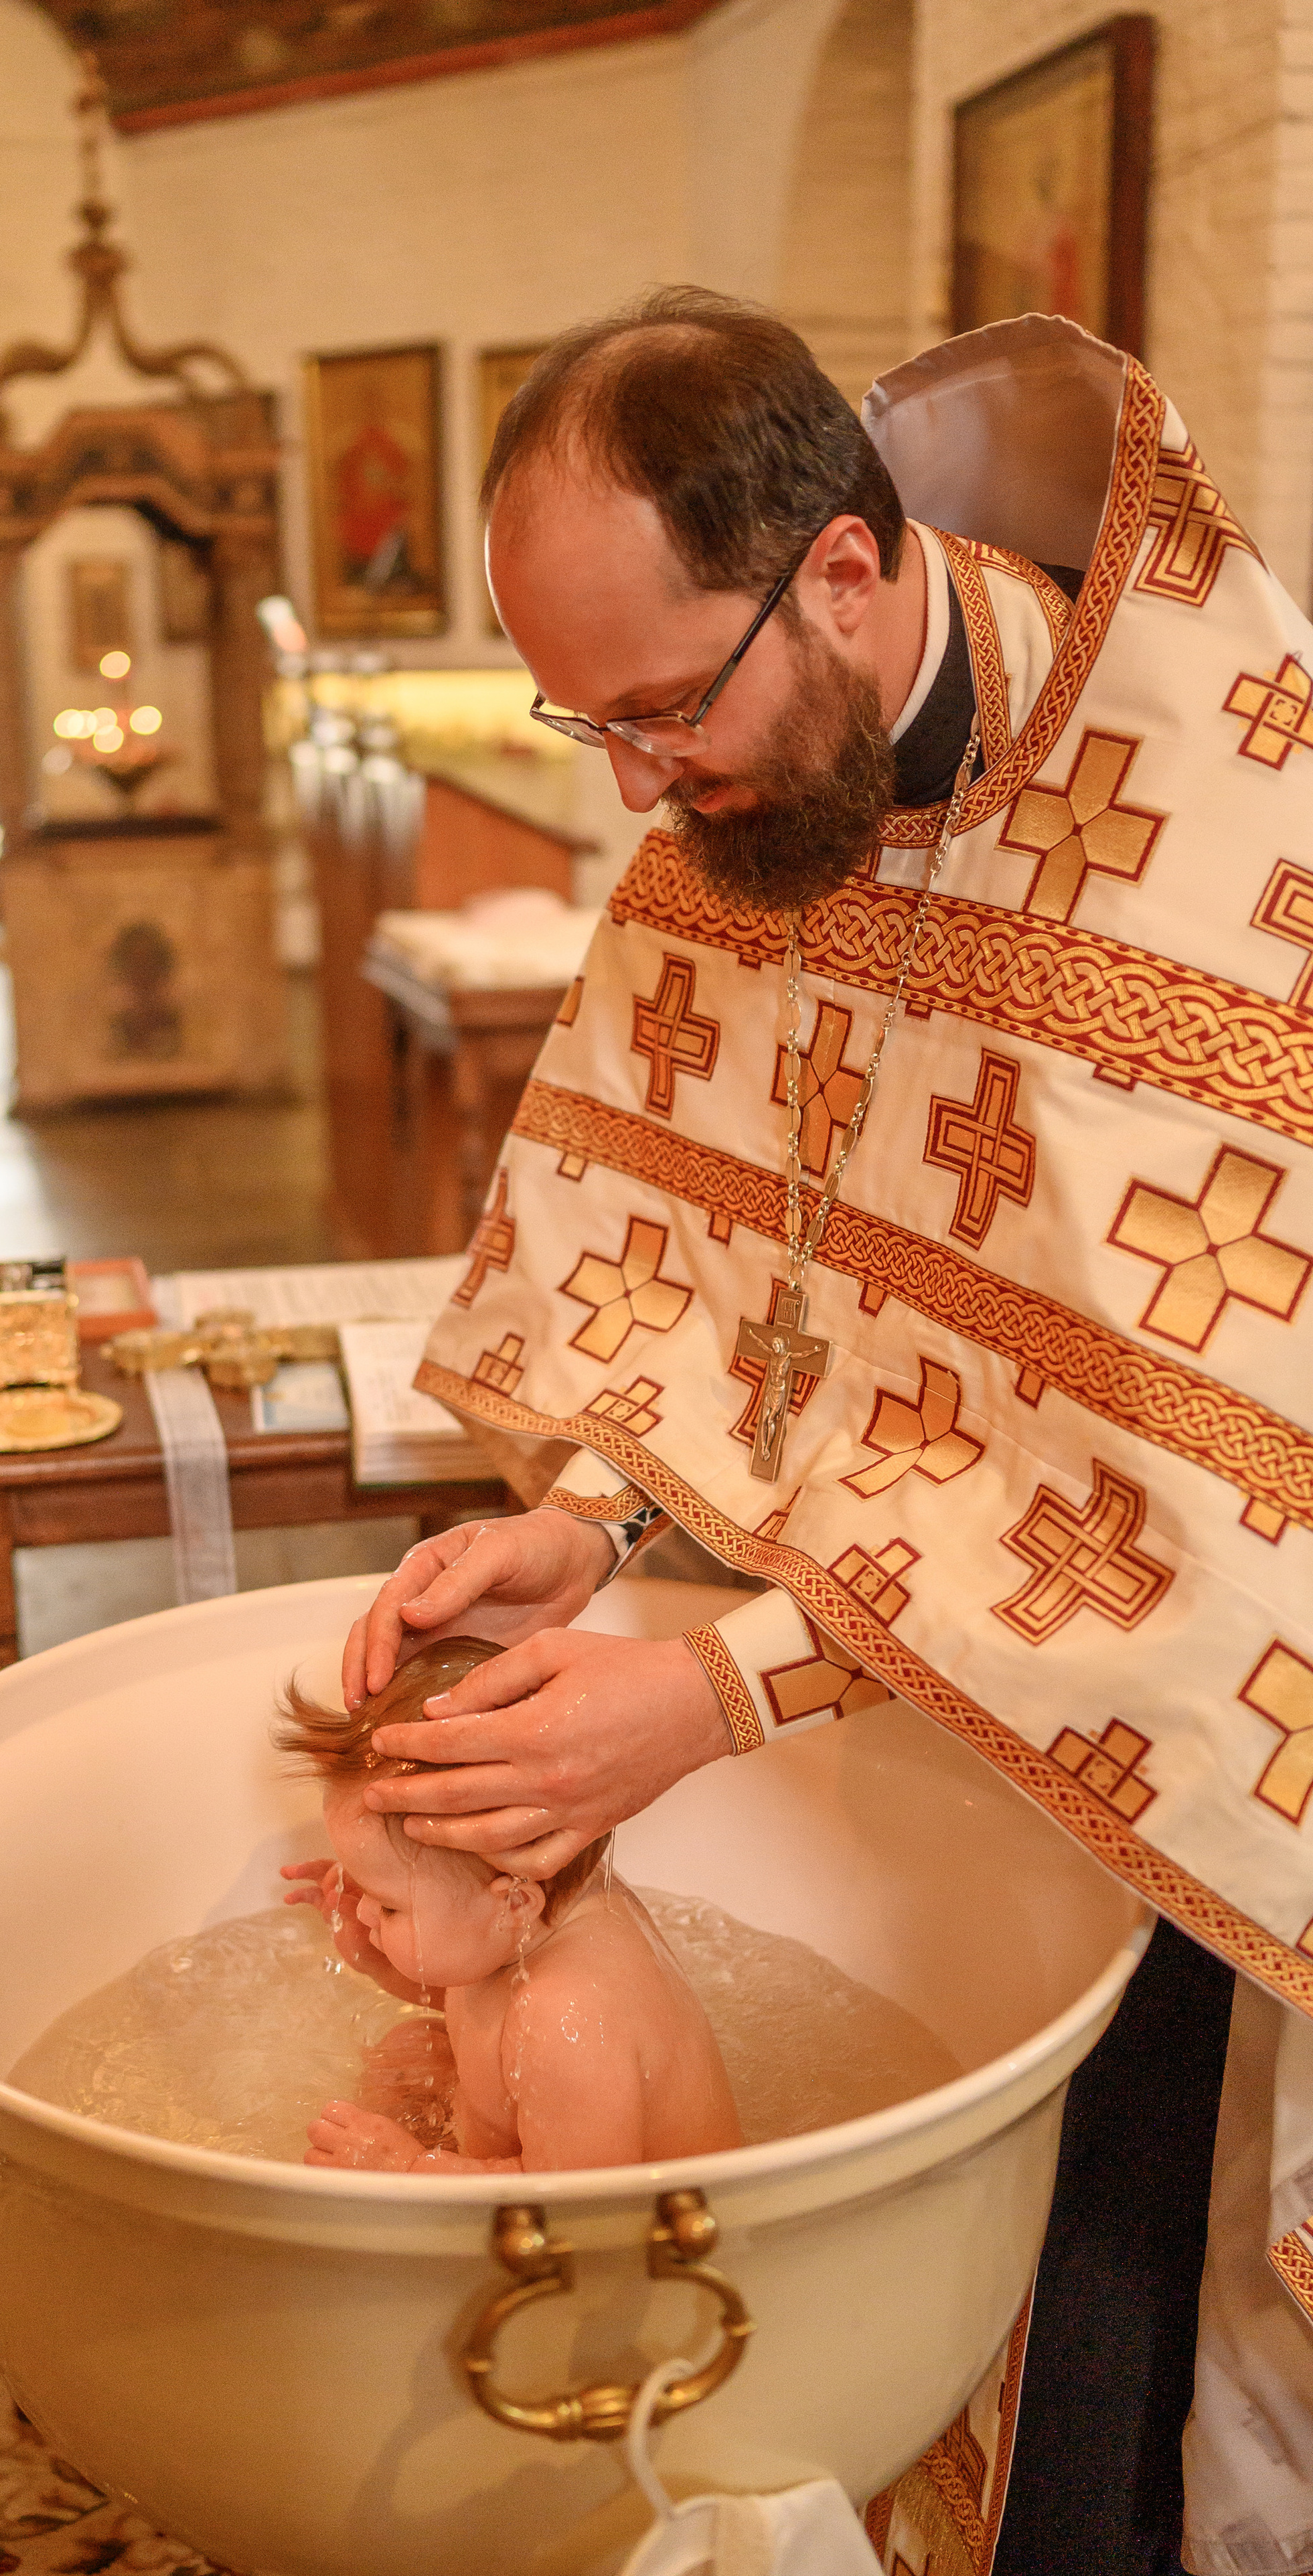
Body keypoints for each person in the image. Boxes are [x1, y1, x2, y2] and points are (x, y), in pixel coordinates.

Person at [341, 292, 1313, 2575]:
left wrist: (722, 1678)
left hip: (1186, 1757)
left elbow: (1205, 1489)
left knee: (1104, 2334)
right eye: (585, 721)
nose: (632, 789)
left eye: (658, 707)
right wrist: (603, 1519)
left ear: (846, 578)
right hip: (891, 1689)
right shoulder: (771, 773)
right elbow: (778, 1254)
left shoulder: (1227, 844)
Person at [279, 1636, 742, 2174]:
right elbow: (478, 1994)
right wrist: (380, 1959)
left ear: (513, 1902)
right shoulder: (540, 1906)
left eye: (388, 1906)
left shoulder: (565, 2020)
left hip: (636, 2233)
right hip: (556, 2159)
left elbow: (573, 2208)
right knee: (412, 2049)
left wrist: (407, 2169)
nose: (362, 1911)